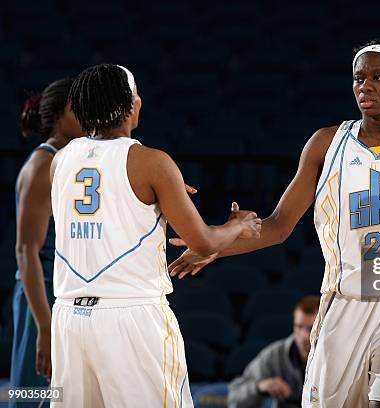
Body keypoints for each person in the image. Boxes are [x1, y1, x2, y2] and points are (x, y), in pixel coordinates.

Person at [169, 39, 380, 408]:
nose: (365, 86)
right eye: (358, 78)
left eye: (378, 77)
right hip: (345, 303)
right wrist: (215, 245)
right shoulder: (326, 144)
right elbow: (279, 225)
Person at [49, 64, 261, 407]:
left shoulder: (60, 161)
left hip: (69, 318)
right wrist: (238, 225)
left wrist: (161, 196)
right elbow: (203, 242)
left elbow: (105, 212)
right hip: (130, 316)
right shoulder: (150, 161)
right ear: (132, 105)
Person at [11, 78, 84, 405]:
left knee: (66, 395)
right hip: (39, 291)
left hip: (68, 289)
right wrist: (43, 324)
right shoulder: (43, 164)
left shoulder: (77, 160)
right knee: (33, 393)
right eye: (77, 108)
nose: (88, 115)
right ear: (57, 116)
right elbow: (25, 250)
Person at [228, 295, 320, 408]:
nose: (304, 336)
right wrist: (259, 387)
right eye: (299, 327)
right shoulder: (274, 355)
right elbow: (234, 395)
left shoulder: (336, 358)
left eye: (311, 329)